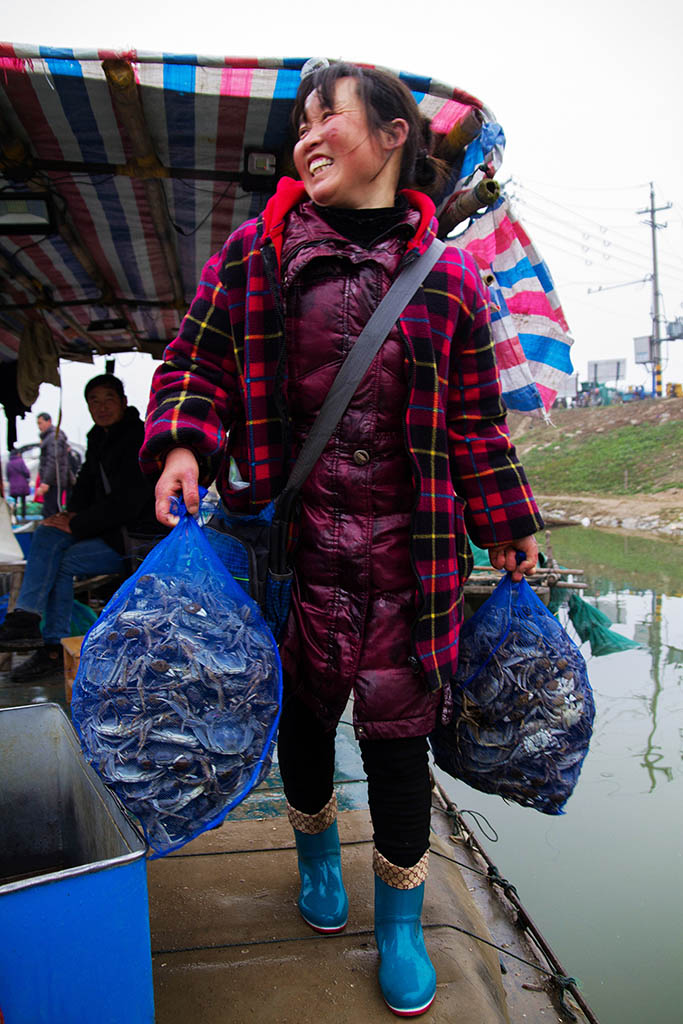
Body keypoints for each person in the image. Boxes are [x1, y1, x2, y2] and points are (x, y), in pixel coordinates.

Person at [140, 63, 543, 1018]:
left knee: (402, 746)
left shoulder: (448, 279)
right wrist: (185, 446)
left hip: (416, 561)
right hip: (296, 551)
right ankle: (316, 861)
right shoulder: (257, 252)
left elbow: (476, 429)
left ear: (395, 134)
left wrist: (511, 523)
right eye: (300, 125)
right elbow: (194, 363)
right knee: (307, 723)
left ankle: (400, 927)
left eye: (330, 117)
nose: (307, 138)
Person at [0, 374, 159, 683]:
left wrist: (76, 522)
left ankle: (30, 624)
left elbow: (129, 502)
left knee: (52, 544)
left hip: (137, 541)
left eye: (108, 399)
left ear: (123, 402)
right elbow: (85, 484)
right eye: (93, 401)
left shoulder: (138, 436)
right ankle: (48, 643)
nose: (101, 407)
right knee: (51, 538)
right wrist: (68, 513)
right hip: (110, 533)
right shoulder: (97, 436)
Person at [35, 411, 70, 517]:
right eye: (38, 424)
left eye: (40, 423)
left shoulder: (54, 437)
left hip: (54, 482)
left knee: (51, 513)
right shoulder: (49, 437)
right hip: (53, 482)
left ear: (49, 421)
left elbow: (53, 460)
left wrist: (46, 482)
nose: (39, 427)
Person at [7, 447, 31, 519]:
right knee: (23, 501)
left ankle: (14, 516)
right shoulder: (20, 461)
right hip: (22, 485)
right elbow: (26, 472)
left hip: (13, 485)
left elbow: (7, 474)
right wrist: (27, 478)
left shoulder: (9, 463)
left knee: (14, 502)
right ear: (18, 454)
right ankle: (23, 516)